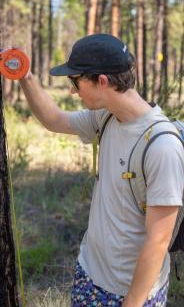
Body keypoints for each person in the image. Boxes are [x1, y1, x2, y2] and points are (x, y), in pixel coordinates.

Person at [18, 33, 184, 307]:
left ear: (102, 81)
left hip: (131, 293)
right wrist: (25, 76)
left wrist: (132, 303)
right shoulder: (106, 116)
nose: (72, 90)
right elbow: (54, 119)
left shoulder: (162, 147)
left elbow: (158, 240)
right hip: (89, 274)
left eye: (75, 81)